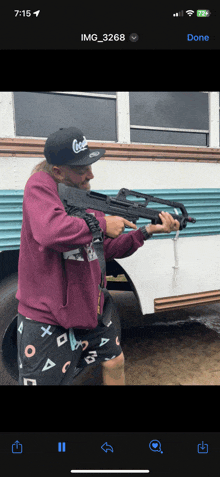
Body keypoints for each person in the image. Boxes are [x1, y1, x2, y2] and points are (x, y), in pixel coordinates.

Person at [16, 127, 179, 385]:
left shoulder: (79, 197)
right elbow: (51, 232)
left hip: (89, 310)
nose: (91, 174)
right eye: (81, 169)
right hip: (47, 317)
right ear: (57, 171)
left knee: (115, 362)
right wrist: (101, 224)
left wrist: (146, 231)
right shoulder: (40, 185)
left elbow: (105, 249)